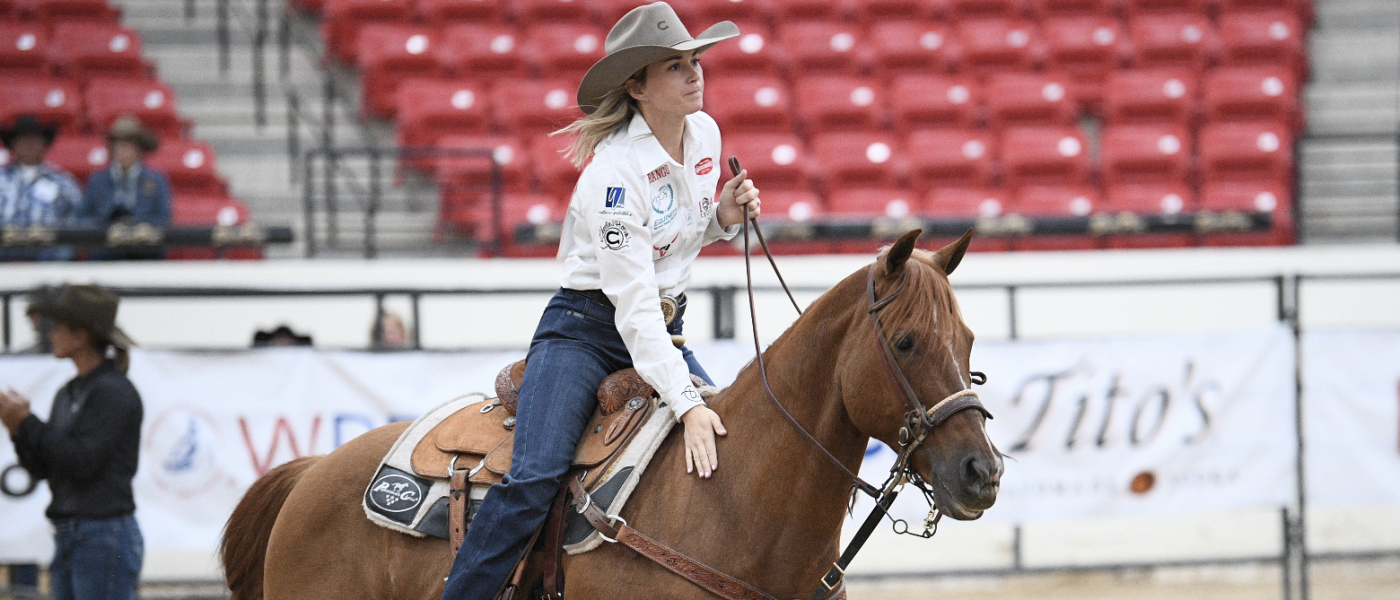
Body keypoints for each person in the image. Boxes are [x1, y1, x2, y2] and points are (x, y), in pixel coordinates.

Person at [440, 3, 761, 598]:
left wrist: (721, 218)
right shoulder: (612, 177)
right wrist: (687, 403)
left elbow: (674, 237)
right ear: (636, 87)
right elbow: (634, 309)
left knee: (734, 450)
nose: (695, 75)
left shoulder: (706, 134)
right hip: (587, 330)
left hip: (664, 329)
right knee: (535, 477)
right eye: (675, 67)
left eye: (694, 62)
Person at [0, 285, 144, 600]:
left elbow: (80, 462)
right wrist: (18, 430)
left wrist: (25, 424)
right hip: (85, 536)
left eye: (57, 327)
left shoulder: (111, 392)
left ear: (80, 337)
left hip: (99, 535)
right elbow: (44, 466)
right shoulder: (74, 392)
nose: (49, 334)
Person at [82, 116, 170, 260]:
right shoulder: (97, 180)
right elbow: (83, 218)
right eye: (118, 144)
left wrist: (141, 227)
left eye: (128, 144)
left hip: (145, 252)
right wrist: (105, 227)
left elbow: (164, 218)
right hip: (105, 250)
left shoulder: (156, 180)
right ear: (112, 148)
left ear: (139, 148)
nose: (123, 150)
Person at [0, 114, 84, 261]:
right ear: (12, 144)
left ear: (44, 143)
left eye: (35, 139)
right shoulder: (1, 179)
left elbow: (78, 222)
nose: (29, 144)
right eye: (23, 139)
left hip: (48, 258)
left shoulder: (63, 182)